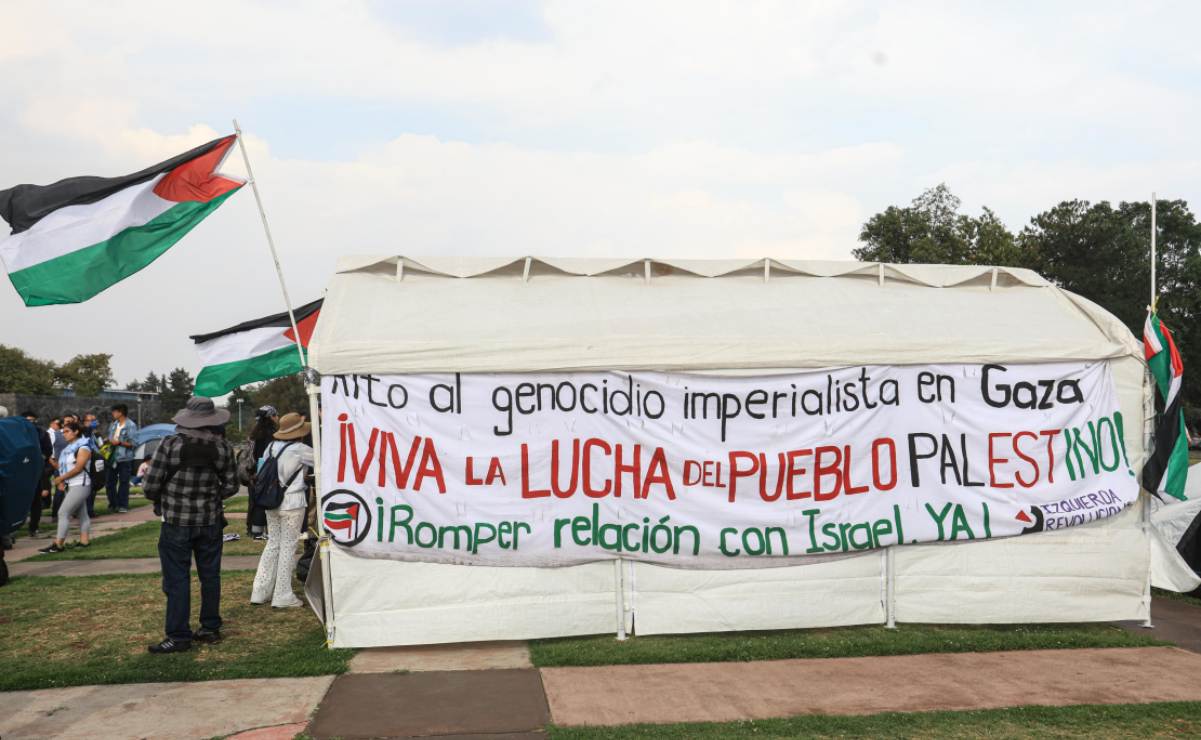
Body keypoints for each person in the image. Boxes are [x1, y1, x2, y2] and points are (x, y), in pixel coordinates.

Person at [142, 397, 238, 654]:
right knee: (210, 576)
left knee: (177, 580)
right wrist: (210, 496)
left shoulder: (169, 444)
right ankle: (209, 628)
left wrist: (166, 497)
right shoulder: (223, 448)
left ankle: (178, 635)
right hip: (210, 521)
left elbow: (150, 486)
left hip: (176, 522)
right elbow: (231, 485)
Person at [250, 412, 312, 608]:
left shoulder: (271, 447)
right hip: (292, 503)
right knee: (288, 547)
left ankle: (260, 591)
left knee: (273, 544)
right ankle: (282, 594)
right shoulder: (301, 450)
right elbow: (324, 462)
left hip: (271, 501)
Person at [38, 420, 93, 554]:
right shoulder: (67, 449)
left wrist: (61, 478)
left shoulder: (83, 447)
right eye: (63, 432)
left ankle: (58, 544)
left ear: (76, 432)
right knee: (82, 514)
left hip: (81, 484)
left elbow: (79, 468)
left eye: (67, 431)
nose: (64, 434)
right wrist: (51, 461)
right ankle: (84, 541)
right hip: (72, 484)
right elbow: (64, 467)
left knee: (63, 513)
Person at [246, 406, 278, 540]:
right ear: (270, 417)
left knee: (255, 501)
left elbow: (250, 455)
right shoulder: (272, 434)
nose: (277, 418)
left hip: (254, 472)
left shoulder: (253, 433)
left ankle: (254, 530)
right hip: (267, 472)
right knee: (267, 501)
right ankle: (265, 531)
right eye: (276, 415)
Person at [21, 411, 53, 538]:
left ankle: (34, 527)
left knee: (36, 501)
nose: (31, 423)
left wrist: (40, 458)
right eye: (28, 420)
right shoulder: (16, 433)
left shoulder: (42, 433)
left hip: (37, 470)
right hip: (20, 470)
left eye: (33, 420)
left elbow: (48, 450)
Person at [106, 403, 139, 513]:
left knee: (124, 482)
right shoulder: (114, 424)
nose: (113, 413)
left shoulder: (131, 425)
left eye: (114, 411)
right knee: (110, 482)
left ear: (120, 412)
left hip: (125, 457)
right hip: (112, 456)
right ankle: (113, 503)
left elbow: (134, 443)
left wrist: (120, 442)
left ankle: (123, 505)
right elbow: (110, 437)